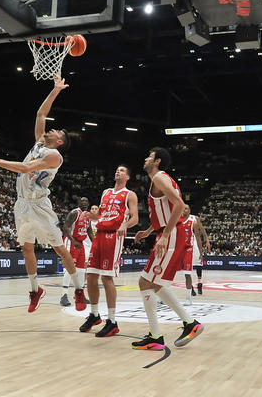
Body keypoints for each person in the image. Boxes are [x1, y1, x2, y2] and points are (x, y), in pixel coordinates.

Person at [0, 76, 87, 313]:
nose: (52, 129)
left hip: (39, 205)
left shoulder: (55, 156)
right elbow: (40, 115)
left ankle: (78, 289)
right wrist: (55, 90)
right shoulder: (38, 143)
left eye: (56, 131)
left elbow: (25, 168)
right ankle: (35, 290)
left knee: (60, 249)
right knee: (26, 248)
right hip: (22, 204)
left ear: (59, 141)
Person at [132, 147, 203, 350]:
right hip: (170, 233)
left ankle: (157, 336)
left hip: (171, 235)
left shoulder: (159, 179)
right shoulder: (162, 179)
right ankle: (190, 323)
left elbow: (180, 206)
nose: (145, 158)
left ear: (157, 161)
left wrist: (163, 235)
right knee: (154, 284)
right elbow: (166, 212)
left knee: (145, 282)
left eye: (149, 156)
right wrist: (148, 231)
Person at [79, 165, 138, 337]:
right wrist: (92, 217)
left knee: (106, 277)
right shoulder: (105, 192)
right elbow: (101, 216)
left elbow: (135, 218)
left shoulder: (129, 194)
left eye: (122, 170)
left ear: (127, 177)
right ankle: (95, 314)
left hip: (114, 236)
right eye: (117, 170)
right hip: (100, 235)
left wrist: (125, 225)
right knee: (90, 276)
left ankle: (112, 321)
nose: (117, 171)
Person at [60, 196, 94, 306]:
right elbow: (65, 227)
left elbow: (89, 232)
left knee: (81, 270)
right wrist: (73, 240)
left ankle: (79, 295)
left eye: (86, 201)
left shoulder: (88, 216)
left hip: (81, 243)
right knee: (69, 269)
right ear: (79, 202)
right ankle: (63, 295)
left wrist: (96, 244)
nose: (84, 202)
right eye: (82, 201)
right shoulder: (74, 213)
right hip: (71, 242)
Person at [179, 205, 204, 306]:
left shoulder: (193, 222)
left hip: (188, 249)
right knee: (168, 272)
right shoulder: (176, 221)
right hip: (177, 249)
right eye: (183, 208)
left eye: (186, 208)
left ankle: (188, 298)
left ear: (189, 210)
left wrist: (201, 253)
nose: (184, 210)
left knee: (187, 274)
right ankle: (162, 296)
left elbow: (198, 238)